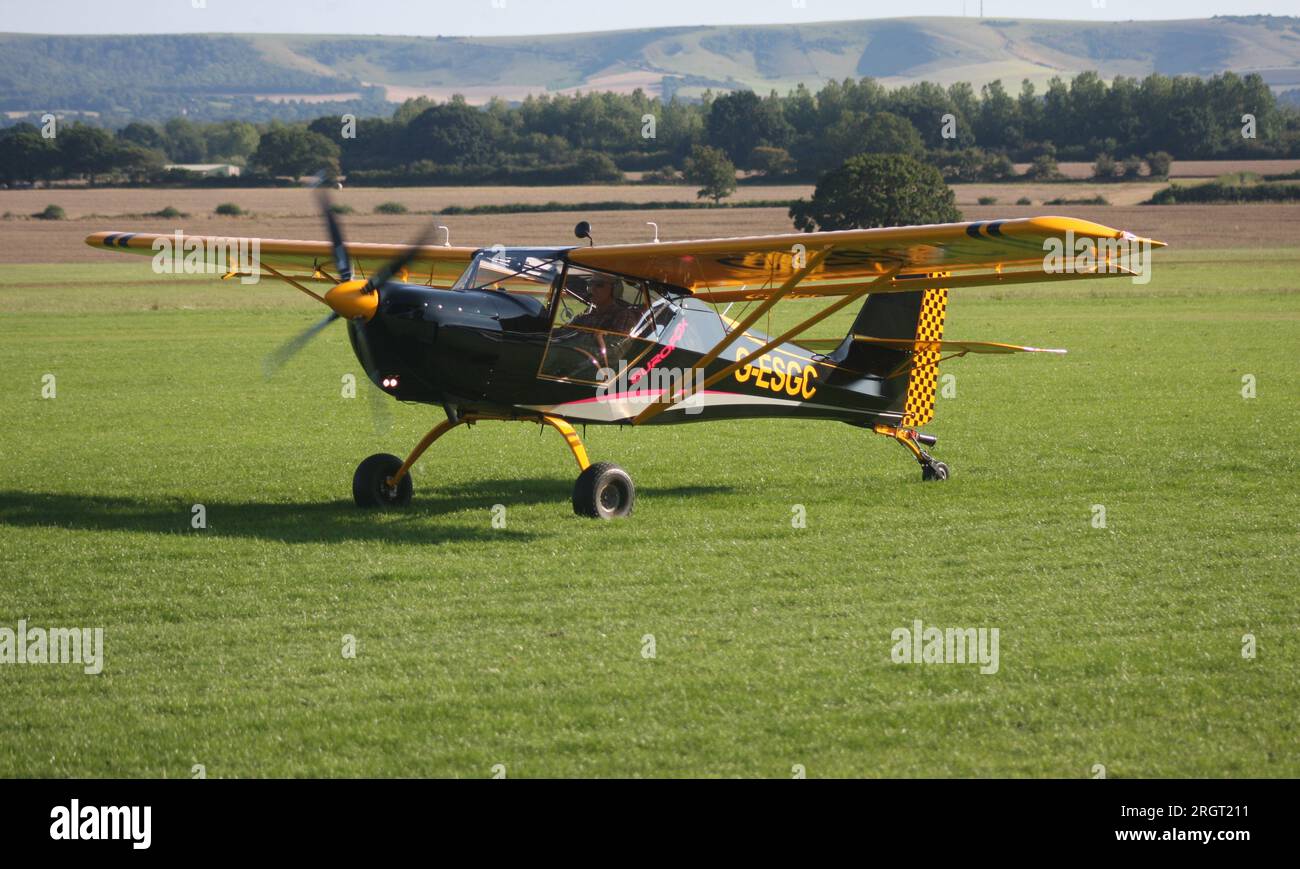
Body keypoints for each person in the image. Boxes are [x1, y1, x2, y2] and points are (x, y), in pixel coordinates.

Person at [570, 275, 643, 335]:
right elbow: (563, 333)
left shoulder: (623, 316)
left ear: (615, 290)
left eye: (599, 285)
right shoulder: (585, 315)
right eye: (590, 284)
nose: (592, 289)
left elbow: (615, 347)